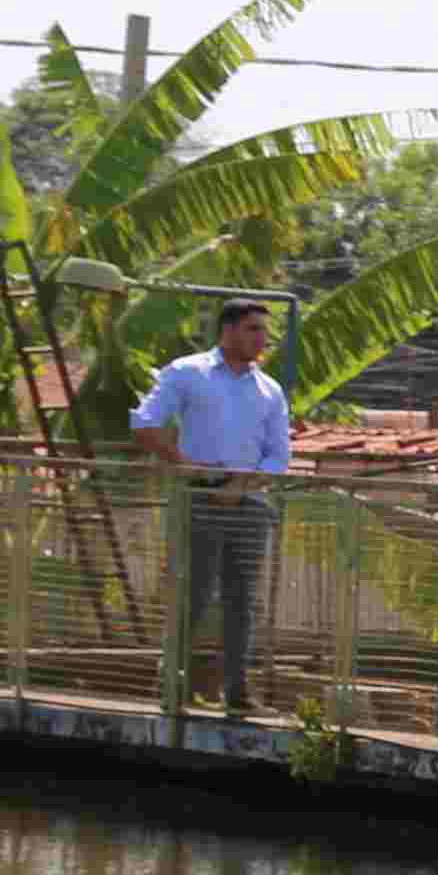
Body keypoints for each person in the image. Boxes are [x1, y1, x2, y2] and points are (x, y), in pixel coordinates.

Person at [128, 293, 292, 719]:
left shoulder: (269, 390)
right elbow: (143, 424)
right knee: (195, 594)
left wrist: (240, 485)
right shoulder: (188, 372)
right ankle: (172, 685)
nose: (262, 339)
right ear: (229, 330)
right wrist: (185, 465)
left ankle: (237, 693)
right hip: (198, 495)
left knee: (242, 599)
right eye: (254, 329)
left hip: (250, 500)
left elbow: (278, 455)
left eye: (264, 331)